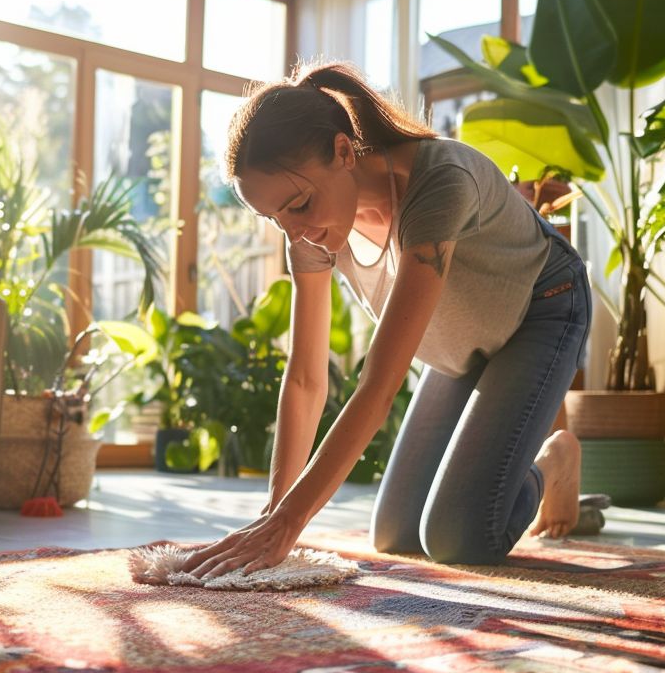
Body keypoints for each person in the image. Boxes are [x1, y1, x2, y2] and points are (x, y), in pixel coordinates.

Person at [180, 61, 591, 579]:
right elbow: (306, 378)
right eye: (276, 218)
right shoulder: (309, 231)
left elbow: (378, 387)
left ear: (345, 152)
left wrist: (289, 523)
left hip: (542, 307)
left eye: (300, 205)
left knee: (460, 535)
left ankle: (553, 462)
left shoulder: (440, 182)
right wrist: (274, 514)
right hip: (457, 343)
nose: (297, 232)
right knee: (395, 534)